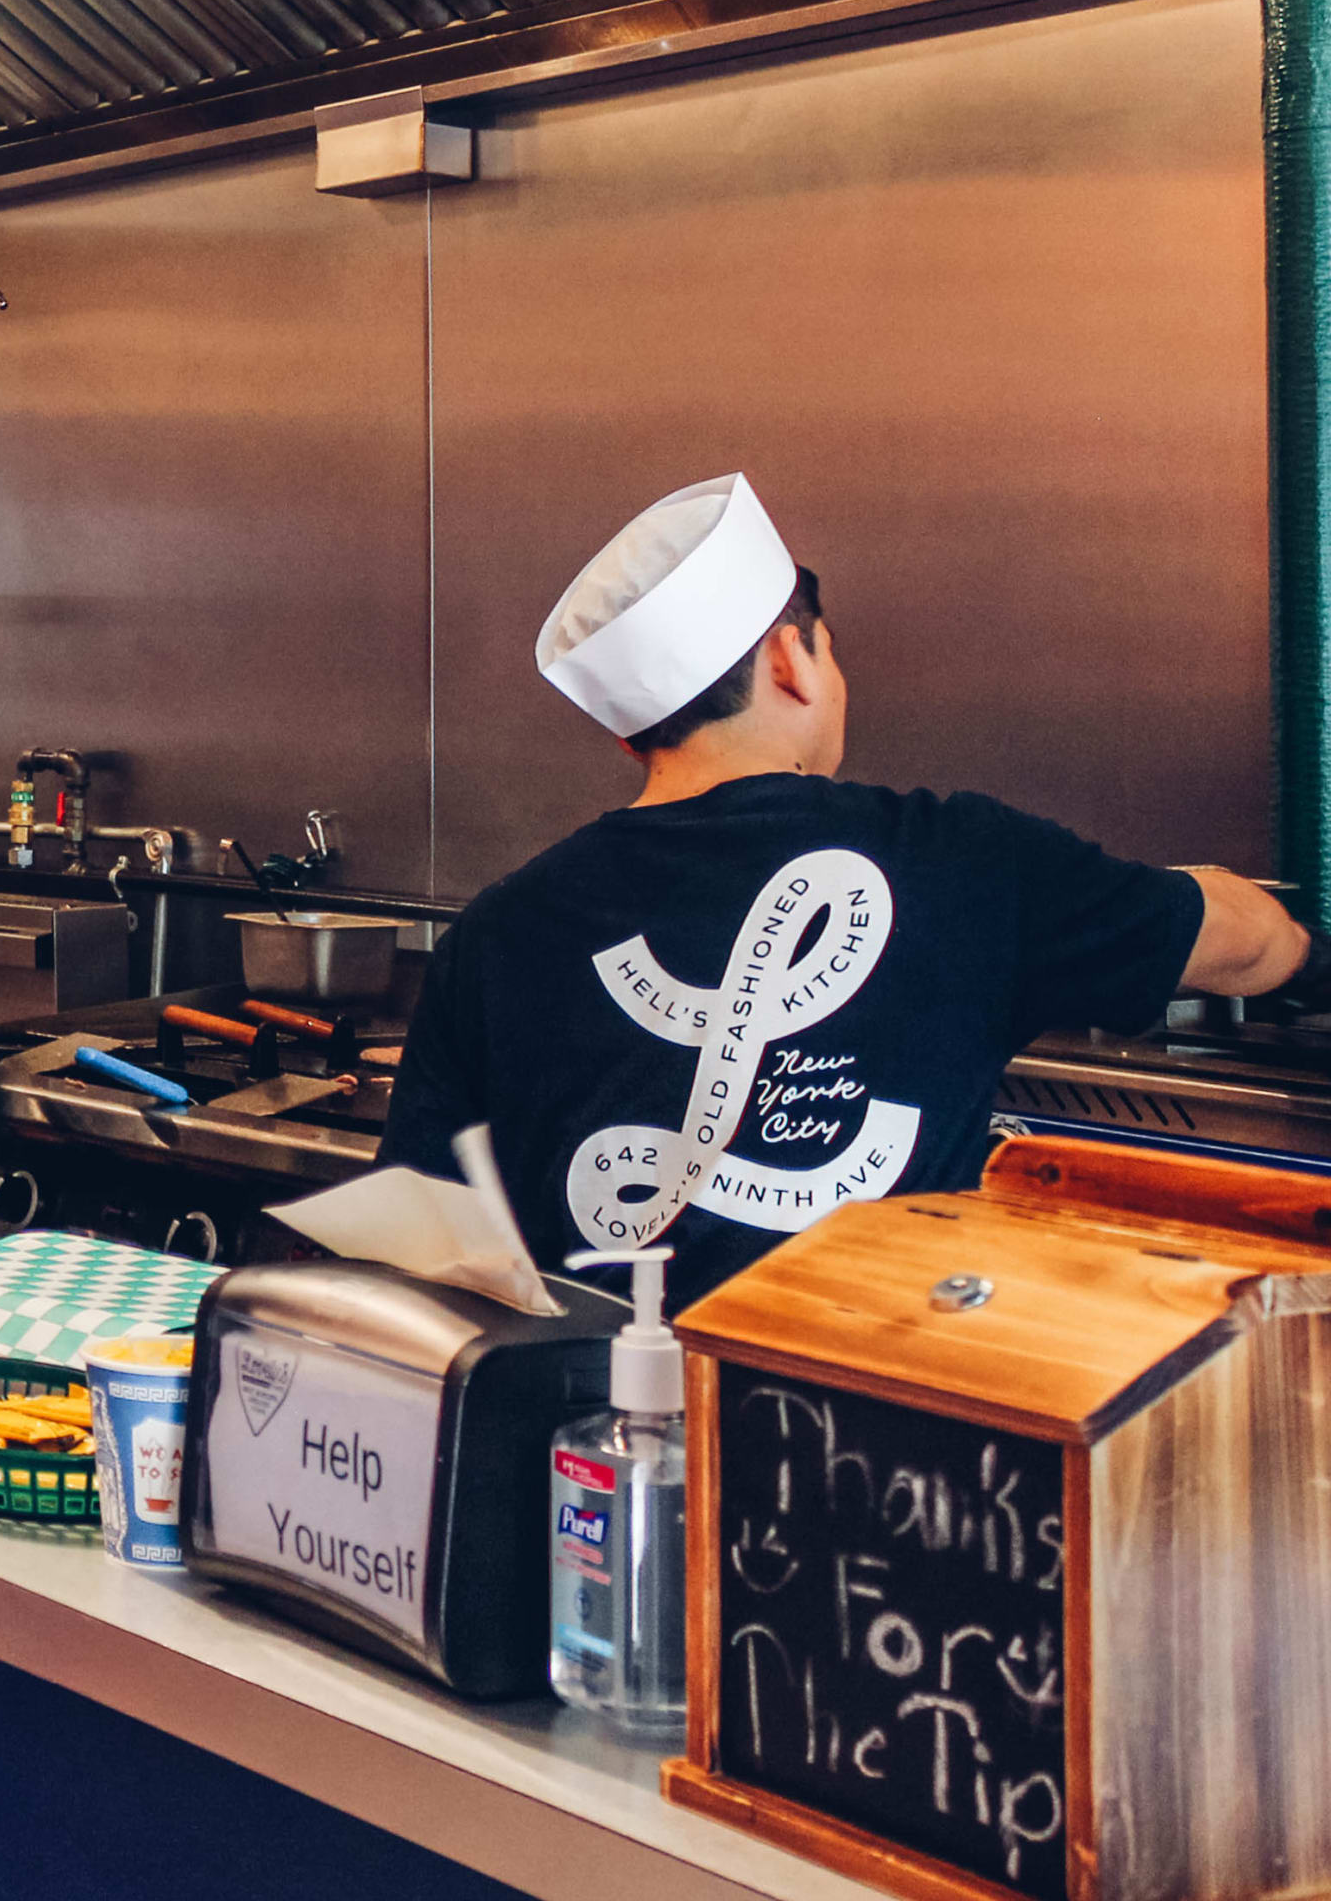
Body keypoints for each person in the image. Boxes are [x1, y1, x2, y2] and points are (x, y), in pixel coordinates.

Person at [378, 473, 1315, 1306]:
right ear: (791, 660)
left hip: (592, 1456)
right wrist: (1263, 920)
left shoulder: (500, 930)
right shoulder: (966, 860)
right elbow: (1250, 944)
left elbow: (423, 1250)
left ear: (632, 735)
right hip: (877, 1444)